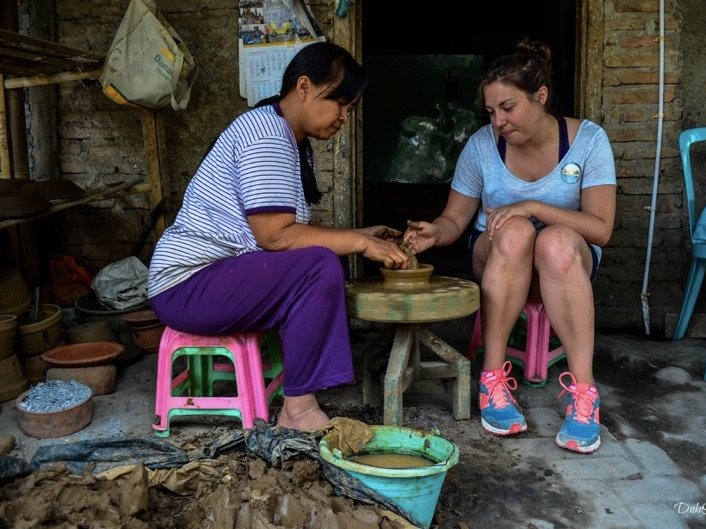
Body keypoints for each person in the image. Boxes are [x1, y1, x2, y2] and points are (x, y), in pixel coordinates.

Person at [147, 42, 409, 432]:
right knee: (319, 264)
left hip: (212, 279)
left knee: (320, 258)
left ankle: (302, 392)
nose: (343, 117)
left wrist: (359, 234)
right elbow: (276, 237)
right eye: (338, 101)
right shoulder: (265, 132)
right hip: (187, 285)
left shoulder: (289, 140)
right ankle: (298, 409)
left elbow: (288, 235)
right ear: (304, 87)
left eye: (349, 109)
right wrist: (362, 243)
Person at [402, 38, 616, 453]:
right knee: (516, 231)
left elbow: (601, 229)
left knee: (552, 239)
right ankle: (492, 380)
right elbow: (455, 219)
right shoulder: (482, 146)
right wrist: (435, 232)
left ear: (541, 97)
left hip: (565, 266)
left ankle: (584, 395)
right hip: (500, 260)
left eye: (508, 108)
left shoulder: (589, 141)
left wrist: (535, 204)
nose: (498, 121)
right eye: (490, 111)